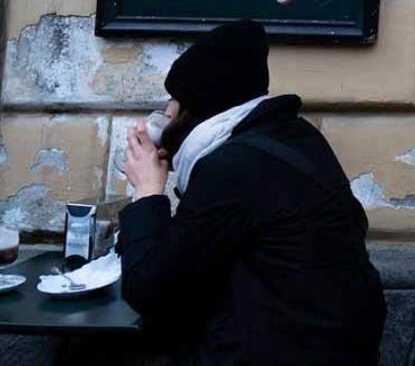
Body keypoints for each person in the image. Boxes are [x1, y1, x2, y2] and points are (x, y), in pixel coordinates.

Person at [119, 19, 387, 364]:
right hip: (330, 346)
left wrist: (148, 191)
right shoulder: (293, 137)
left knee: (89, 355)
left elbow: (149, 292)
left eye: (173, 103)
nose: (166, 114)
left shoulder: (232, 168)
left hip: (283, 349)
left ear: (194, 110)